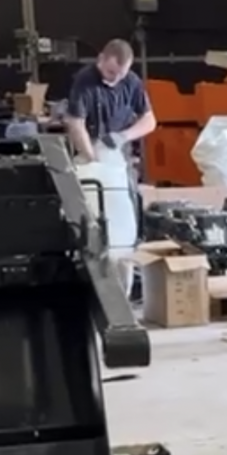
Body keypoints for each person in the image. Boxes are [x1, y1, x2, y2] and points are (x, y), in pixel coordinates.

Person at [64, 39, 156, 301]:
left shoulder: (132, 83)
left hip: (118, 158)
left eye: (120, 75)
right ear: (101, 60)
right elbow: (75, 123)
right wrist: (93, 159)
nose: (114, 78)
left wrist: (124, 136)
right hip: (89, 155)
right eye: (111, 72)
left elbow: (150, 120)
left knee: (124, 228)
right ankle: (91, 292)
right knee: (90, 222)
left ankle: (124, 295)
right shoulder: (85, 81)